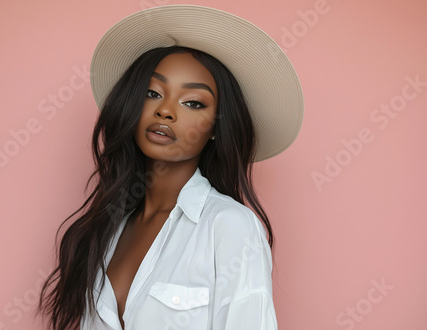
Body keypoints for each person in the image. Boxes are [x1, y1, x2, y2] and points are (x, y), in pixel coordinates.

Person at [38, 5, 303, 330]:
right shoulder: (108, 229)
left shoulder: (230, 228)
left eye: (193, 102)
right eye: (153, 93)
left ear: (217, 126)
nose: (165, 111)